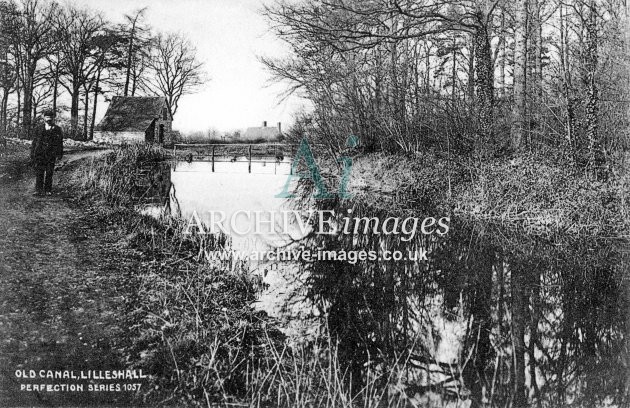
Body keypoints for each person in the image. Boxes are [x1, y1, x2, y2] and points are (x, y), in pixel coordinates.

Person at [30, 110, 63, 196]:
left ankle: (48, 190)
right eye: (47, 117)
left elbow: (60, 143)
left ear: (53, 118)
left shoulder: (57, 129)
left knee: (49, 172)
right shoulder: (38, 128)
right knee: (39, 172)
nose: (49, 119)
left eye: (50, 118)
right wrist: (32, 153)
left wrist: (59, 154)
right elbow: (34, 142)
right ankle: (38, 190)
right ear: (44, 118)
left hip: (51, 154)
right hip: (40, 153)